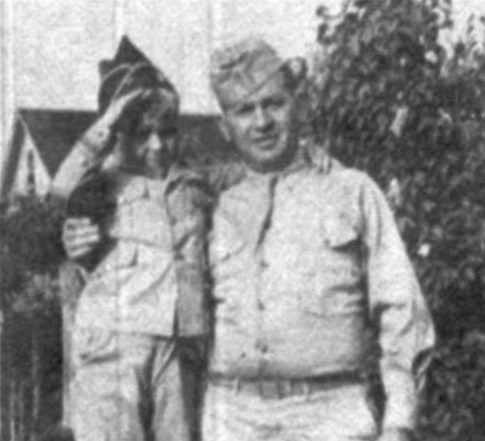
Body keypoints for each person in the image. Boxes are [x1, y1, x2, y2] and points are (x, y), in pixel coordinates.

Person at [202, 37, 435, 441]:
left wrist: (399, 421)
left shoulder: (352, 191)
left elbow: (402, 309)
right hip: (230, 416)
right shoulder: (211, 203)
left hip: (330, 414)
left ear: (298, 105)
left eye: (274, 104)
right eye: (244, 110)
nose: (262, 122)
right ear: (225, 127)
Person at [51, 36, 210, 441]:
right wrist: (110, 118)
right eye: (141, 133)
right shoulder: (101, 182)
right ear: (121, 133)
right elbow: (60, 190)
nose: (156, 145)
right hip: (114, 343)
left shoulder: (192, 184)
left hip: (177, 345)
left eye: (166, 132)